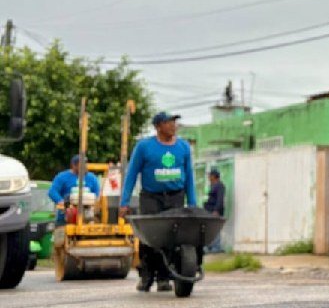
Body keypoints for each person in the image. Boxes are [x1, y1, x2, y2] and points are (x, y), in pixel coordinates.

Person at [119, 112, 198, 293]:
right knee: (149, 238)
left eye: (174, 122)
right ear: (158, 126)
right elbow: (131, 175)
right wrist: (124, 202)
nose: (173, 125)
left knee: (172, 237)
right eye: (168, 122)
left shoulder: (183, 147)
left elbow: (189, 178)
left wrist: (192, 203)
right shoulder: (144, 147)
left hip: (176, 197)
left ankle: (164, 277)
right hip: (151, 198)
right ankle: (146, 276)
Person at [47, 155, 101, 225]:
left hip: (87, 217)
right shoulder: (62, 177)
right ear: (74, 165)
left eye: (85, 163)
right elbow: (52, 192)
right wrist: (62, 202)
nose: (84, 166)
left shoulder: (92, 178)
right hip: (65, 217)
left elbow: (97, 194)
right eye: (81, 164)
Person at [203, 169, 227, 252]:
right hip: (209, 211)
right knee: (210, 229)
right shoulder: (212, 185)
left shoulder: (220, 186)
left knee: (215, 229)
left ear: (214, 176)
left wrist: (216, 210)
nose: (209, 177)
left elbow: (220, 199)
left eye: (210, 175)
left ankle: (216, 247)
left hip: (215, 211)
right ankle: (210, 246)